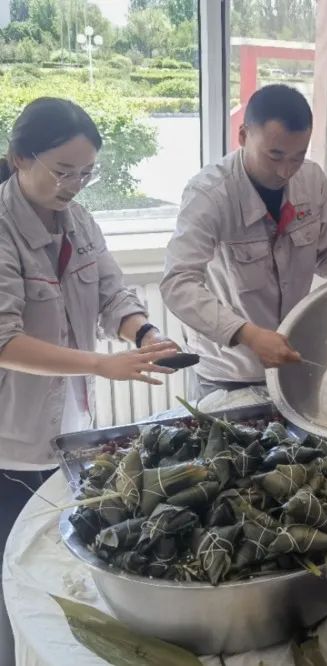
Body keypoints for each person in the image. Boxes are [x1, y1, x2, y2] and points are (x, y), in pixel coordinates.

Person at [0, 97, 178, 661]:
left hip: (70, 427)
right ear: (19, 158)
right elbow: (4, 342)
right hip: (9, 440)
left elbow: (111, 294)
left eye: (86, 173)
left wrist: (145, 334)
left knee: (57, 563)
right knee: (12, 576)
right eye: (63, 171)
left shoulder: (78, 219)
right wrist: (101, 363)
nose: (75, 185)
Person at [161, 84, 327, 399]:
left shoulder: (312, 180)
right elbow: (177, 282)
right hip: (229, 373)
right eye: (274, 155)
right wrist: (246, 334)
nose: (285, 170)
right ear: (243, 136)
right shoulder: (209, 194)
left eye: (298, 156)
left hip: (292, 363)